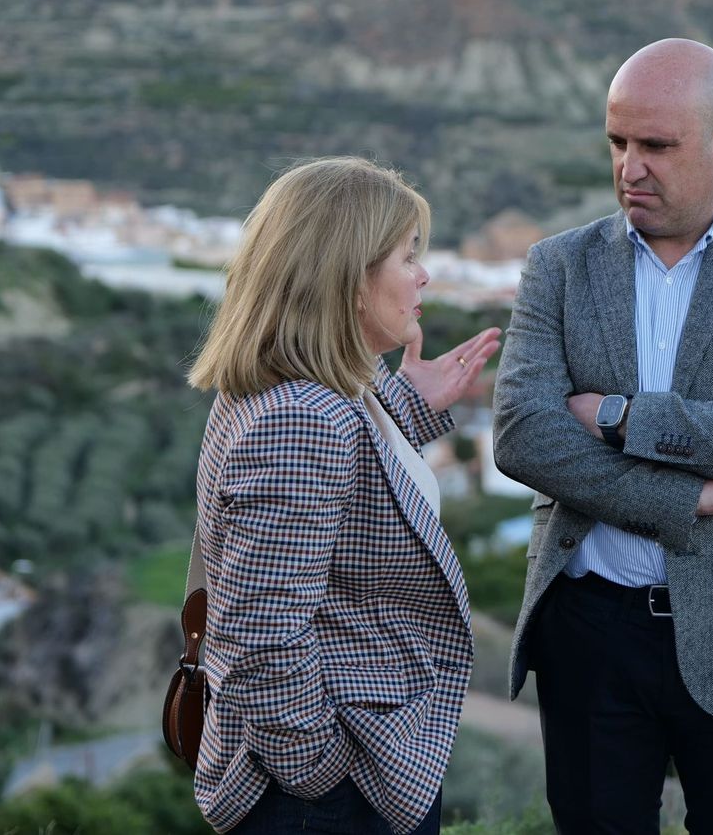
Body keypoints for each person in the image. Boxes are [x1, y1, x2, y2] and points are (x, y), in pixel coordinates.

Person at [491, 39, 713, 834]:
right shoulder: (558, 266)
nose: (630, 168)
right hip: (587, 627)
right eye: (618, 143)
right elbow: (522, 435)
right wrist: (683, 498)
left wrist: (620, 416)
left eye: (656, 145)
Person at [186, 156, 500, 835]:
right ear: (347, 277)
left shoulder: (298, 389)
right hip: (325, 794)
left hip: (334, 781)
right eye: (406, 256)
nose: (423, 275)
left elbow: (340, 503)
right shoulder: (301, 418)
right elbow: (261, 639)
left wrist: (407, 410)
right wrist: (320, 773)